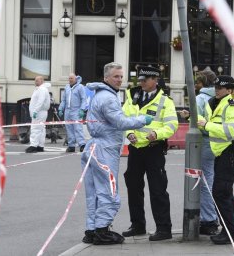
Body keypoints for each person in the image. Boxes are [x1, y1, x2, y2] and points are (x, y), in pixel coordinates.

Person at [80, 62, 153, 245]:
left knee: (94, 192)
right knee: (109, 191)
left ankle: (92, 229)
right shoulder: (109, 98)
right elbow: (119, 122)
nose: (120, 79)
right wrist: (142, 119)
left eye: (121, 76)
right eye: (116, 76)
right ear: (106, 78)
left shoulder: (99, 95)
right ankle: (102, 230)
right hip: (105, 150)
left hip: (95, 148)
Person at [121, 65, 178, 241]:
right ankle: (138, 225)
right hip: (136, 149)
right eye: (140, 79)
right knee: (134, 187)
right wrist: (128, 133)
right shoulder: (132, 96)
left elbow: (172, 125)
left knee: (158, 189)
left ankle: (163, 229)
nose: (142, 82)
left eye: (145, 80)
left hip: (154, 149)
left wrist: (157, 134)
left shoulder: (165, 101)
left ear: (155, 80)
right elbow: (124, 118)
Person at [197, 75, 234, 245]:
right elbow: (209, 123)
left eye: (221, 88)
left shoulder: (232, 106)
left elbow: (230, 131)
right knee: (224, 193)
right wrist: (192, 118)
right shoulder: (215, 104)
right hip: (221, 154)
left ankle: (229, 233)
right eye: (216, 87)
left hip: (229, 152)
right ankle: (230, 231)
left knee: (221, 193)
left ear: (230, 90)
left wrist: (206, 125)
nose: (217, 90)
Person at [179, 67, 219, 236]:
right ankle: (212, 218)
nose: (194, 84)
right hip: (219, 142)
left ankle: (209, 220)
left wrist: (189, 116)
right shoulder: (219, 97)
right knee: (212, 180)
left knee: (204, 182)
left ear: (202, 83)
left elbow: (199, 121)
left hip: (205, 142)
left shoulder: (201, 98)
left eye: (197, 81)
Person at [58, 73, 87, 152]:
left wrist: (82, 109)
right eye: (69, 78)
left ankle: (82, 145)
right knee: (69, 129)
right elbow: (64, 100)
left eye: (71, 78)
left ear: (75, 79)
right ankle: (71, 146)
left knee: (78, 128)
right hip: (68, 111)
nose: (70, 80)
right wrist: (61, 109)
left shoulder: (80, 87)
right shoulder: (67, 87)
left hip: (76, 110)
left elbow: (83, 99)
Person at [25, 76, 50, 153]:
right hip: (41, 112)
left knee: (35, 128)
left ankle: (33, 146)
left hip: (39, 112)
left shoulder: (41, 89)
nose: (35, 82)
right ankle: (40, 146)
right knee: (41, 129)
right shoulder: (41, 89)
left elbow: (40, 101)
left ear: (42, 81)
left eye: (37, 81)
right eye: (35, 80)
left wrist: (35, 111)